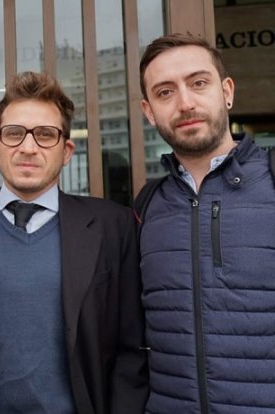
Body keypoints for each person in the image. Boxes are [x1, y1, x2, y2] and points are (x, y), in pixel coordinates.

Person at [0, 71, 148, 413]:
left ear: (66, 150)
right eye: (14, 134)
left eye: (44, 135)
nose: (28, 147)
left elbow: (132, 348)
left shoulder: (113, 226)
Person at [138, 33, 275, 413]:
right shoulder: (148, 206)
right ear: (149, 112)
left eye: (198, 83)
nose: (185, 103)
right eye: (165, 93)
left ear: (227, 91)